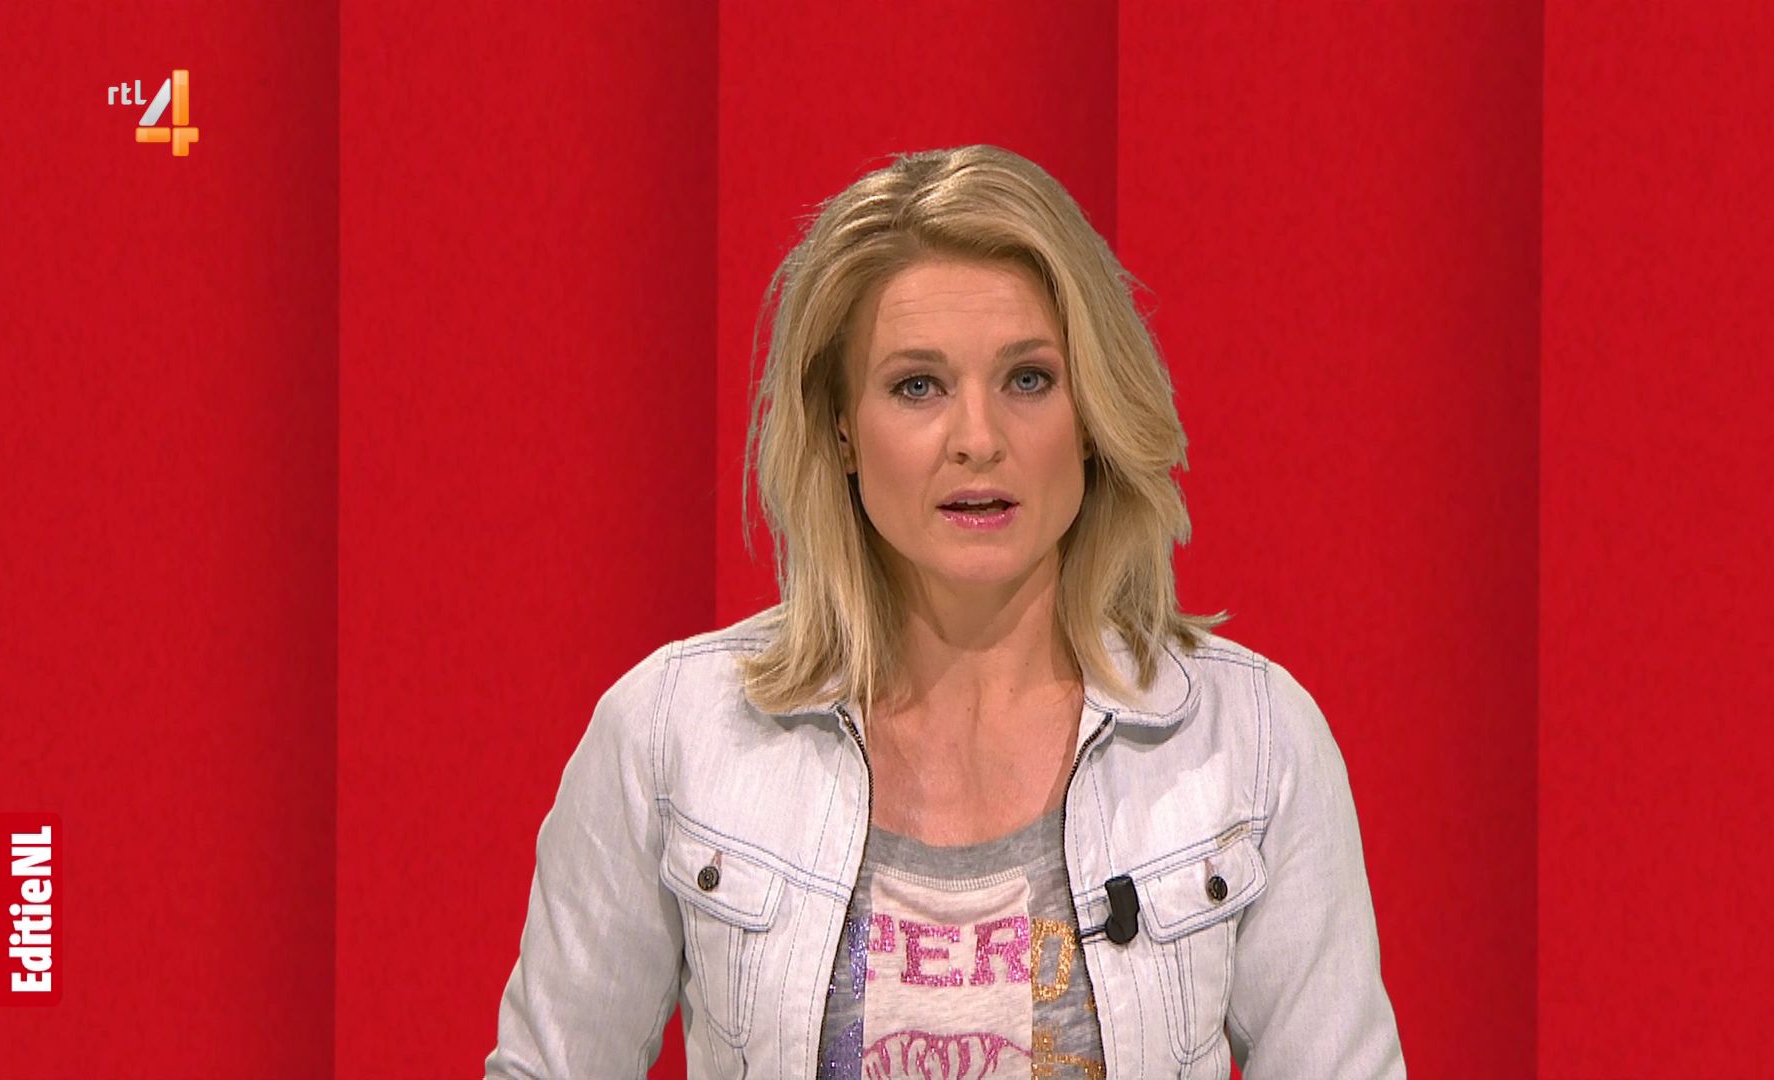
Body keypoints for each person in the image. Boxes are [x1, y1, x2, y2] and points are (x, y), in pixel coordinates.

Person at [485, 144, 1405, 1079]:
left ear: (1092, 416)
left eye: (1028, 379)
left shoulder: (1250, 743)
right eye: (917, 386)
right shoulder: (670, 734)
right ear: (842, 429)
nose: (977, 439)